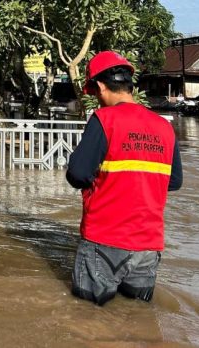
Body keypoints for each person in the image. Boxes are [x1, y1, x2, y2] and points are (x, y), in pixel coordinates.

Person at [66, 50, 183, 306]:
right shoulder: (164, 127)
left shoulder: (104, 119)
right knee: (138, 317)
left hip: (103, 239)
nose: (97, 100)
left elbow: (77, 174)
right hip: (148, 246)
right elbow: (173, 182)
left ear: (99, 86)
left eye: (95, 93)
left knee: (85, 317)